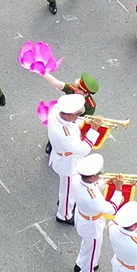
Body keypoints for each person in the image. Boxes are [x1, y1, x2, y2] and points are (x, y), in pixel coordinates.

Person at [46, 93, 90, 223]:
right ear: (69, 115)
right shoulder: (65, 134)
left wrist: (84, 121)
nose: (78, 116)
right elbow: (84, 150)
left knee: (69, 188)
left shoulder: (55, 112)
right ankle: (64, 215)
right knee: (67, 191)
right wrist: (93, 130)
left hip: (66, 156)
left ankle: (66, 205)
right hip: (68, 163)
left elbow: (72, 123)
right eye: (77, 114)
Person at [70, 153, 112, 272]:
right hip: (92, 224)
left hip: (83, 217)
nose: (100, 175)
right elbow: (111, 209)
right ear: (92, 177)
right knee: (93, 249)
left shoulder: (77, 178)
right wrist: (119, 190)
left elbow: (94, 185)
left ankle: (81, 263)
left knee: (87, 245)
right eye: (98, 174)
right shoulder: (93, 197)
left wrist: (107, 182)